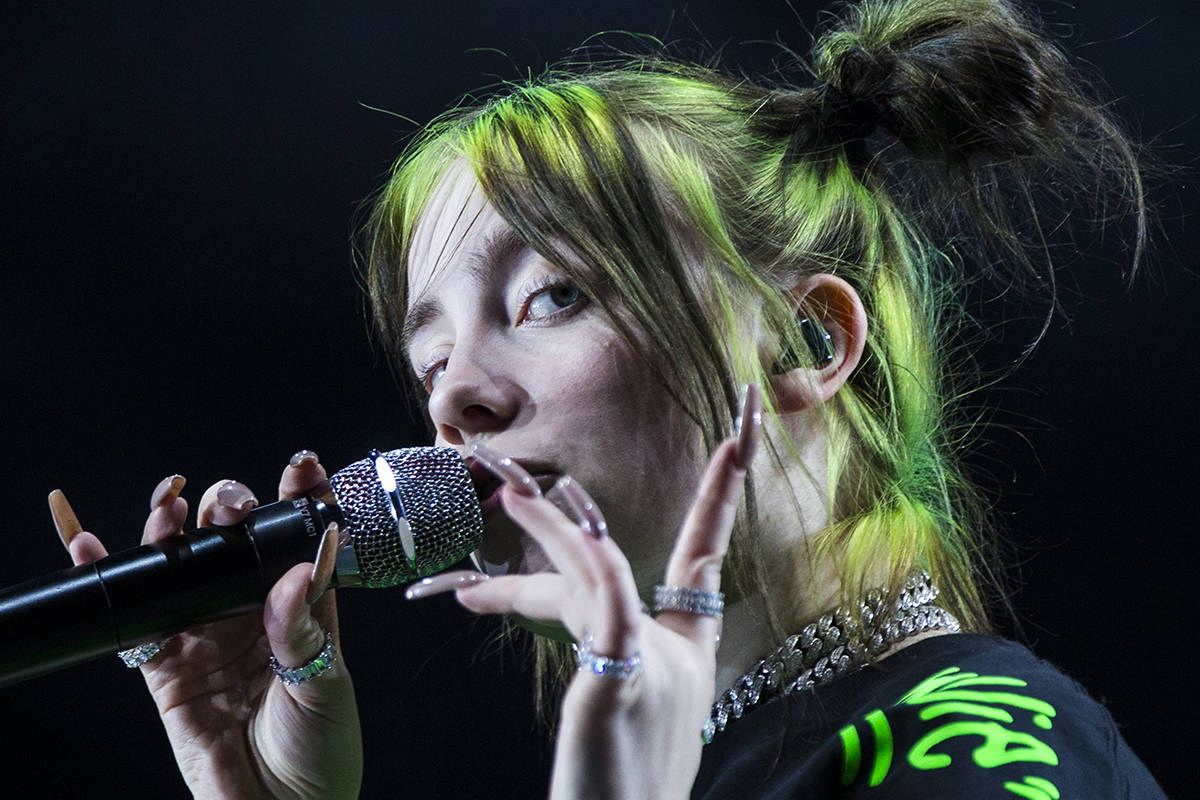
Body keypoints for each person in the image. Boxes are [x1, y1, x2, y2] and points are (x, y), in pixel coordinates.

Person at [49, 0, 1165, 796]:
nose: (457, 406)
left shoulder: (970, 742)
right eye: (430, 362)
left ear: (805, 337)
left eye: (550, 295)